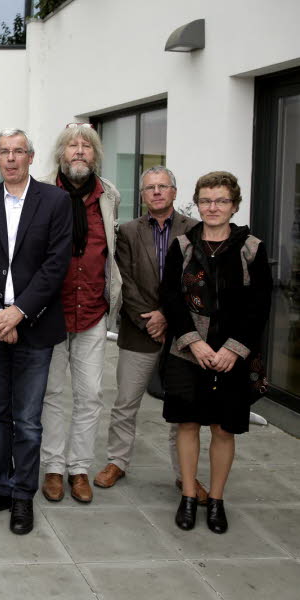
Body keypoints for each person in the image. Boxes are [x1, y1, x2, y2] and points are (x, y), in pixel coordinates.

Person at [0, 129, 72, 535]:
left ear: (31, 156)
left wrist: (19, 313)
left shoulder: (56, 201)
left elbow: (56, 264)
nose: (11, 158)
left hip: (35, 326)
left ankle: (23, 495)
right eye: (4, 152)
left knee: (27, 420)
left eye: (18, 152)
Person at [161, 171, 272, 534]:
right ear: (197, 203)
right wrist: (193, 341)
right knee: (188, 424)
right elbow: (171, 298)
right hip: (187, 352)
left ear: (234, 205)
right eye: (206, 200)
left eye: (221, 201)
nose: (213, 207)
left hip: (232, 356)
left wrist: (232, 350)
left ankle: (217, 500)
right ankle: (190, 496)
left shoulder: (251, 248)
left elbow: (259, 306)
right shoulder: (182, 245)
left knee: (223, 429)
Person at [94, 166, 208, 502]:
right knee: (125, 402)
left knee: (183, 408)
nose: (156, 192)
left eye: (163, 186)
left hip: (184, 334)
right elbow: (122, 281)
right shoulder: (128, 232)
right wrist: (150, 319)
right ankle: (117, 461)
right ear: (142, 196)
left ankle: (183, 474)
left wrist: (168, 317)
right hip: (139, 329)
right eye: (149, 188)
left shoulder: (196, 230)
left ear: (174, 191)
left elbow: (198, 283)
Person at [39, 124, 122, 505]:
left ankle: (79, 469)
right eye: (72, 145)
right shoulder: (41, 194)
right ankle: (54, 467)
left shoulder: (109, 196)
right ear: (60, 154)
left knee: (90, 396)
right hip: (50, 312)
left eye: (86, 146)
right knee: (53, 393)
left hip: (92, 310)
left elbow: (110, 252)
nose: (79, 151)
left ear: (95, 155)